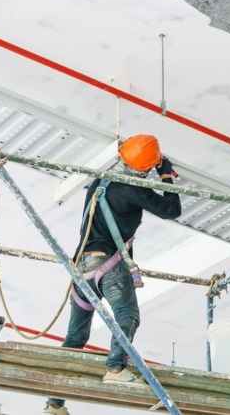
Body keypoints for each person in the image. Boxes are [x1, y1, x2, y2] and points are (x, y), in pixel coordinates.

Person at [44, 134, 182, 415]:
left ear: (121, 157)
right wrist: (165, 175)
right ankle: (116, 368)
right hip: (109, 265)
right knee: (127, 315)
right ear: (146, 168)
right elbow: (172, 210)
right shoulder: (133, 188)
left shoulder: (98, 182)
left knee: (75, 337)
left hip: (82, 269)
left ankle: (54, 404)